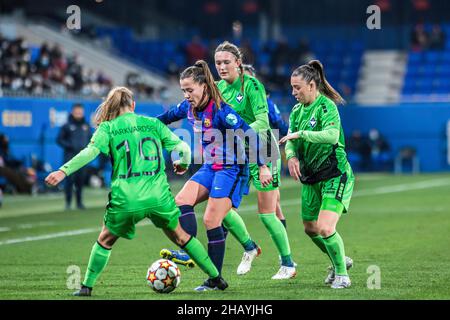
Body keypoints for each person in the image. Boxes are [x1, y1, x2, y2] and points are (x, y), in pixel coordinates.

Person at [45, 87, 227, 296]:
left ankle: (86, 286)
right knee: (181, 236)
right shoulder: (153, 124)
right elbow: (184, 148)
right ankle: (216, 277)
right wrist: (183, 164)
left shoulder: (108, 128)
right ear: (133, 105)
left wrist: (63, 171)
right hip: (158, 196)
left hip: (127, 198)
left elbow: (90, 152)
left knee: (105, 240)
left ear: (112, 107)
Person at [157, 60, 271, 288]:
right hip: (210, 167)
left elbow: (250, 135)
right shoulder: (187, 108)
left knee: (211, 219)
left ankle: (214, 279)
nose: (187, 95)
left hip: (232, 169)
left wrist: (262, 166)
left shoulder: (221, 111)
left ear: (204, 87)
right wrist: (138, 125)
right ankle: (189, 251)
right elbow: (164, 119)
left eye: (190, 90)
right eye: (184, 91)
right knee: (180, 201)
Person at [214, 41, 296, 279]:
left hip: (264, 151)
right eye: (218, 62)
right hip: (236, 154)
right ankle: (250, 247)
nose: (221, 66)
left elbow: (262, 120)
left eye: (226, 62)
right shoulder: (218, 88)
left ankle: (288, 264)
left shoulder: (251, 85)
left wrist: (240, 130)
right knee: (220, 207)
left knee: (267, 213)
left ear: (238, 63)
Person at [279, 60, 354, 289]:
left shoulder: (326, 107)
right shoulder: (295, 111)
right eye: (292, 88)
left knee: (325, 228)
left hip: (334, 174)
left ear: (312, 85)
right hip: (311, 178)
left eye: (297, 87)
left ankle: (341, 275)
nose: (294, 92)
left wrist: (302, 134)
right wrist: (291, 156)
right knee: (310, 228)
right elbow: (290, 140)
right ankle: (340, 259)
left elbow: (332, 136)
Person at [242, 64, 289, 230]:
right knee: (226, 203)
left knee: (274, 205)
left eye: (247, 78)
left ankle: (284, 253)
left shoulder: (263, 100)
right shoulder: (235, 99)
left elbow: (277, 122)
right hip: (243, 150)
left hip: (265, 148)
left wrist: (290, 137)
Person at [56, 104, 92, 210]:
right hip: (70, 157)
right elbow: (59, 140)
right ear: (72, 112)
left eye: (80, 112)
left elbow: (91, 138)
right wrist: (70, 146)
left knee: (80, 181)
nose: (79, 114)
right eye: (77, 112)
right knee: (69, 181)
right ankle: (68, 203)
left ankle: (79, 203)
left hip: (83, 158)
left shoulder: (86, 125)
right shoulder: (66, 125)